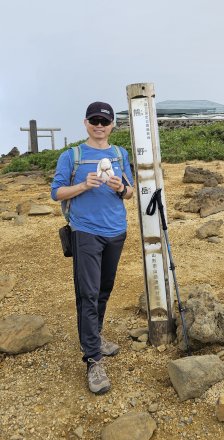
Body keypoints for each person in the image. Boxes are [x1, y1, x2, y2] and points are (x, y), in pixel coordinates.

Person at [51, 101, 134, 394]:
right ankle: (93, 360)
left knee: (103, 289)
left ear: (112, 125)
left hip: (116, 231)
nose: (100, 126)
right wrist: (84, 186)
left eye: (105, 121)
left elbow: (130, 191)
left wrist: (120, 189)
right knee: (87, 293)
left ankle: (95, 337)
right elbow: (56, 193)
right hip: (85, 232)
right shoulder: (71, 156)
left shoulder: (120, 154)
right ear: (85, 123)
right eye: (95, 121)